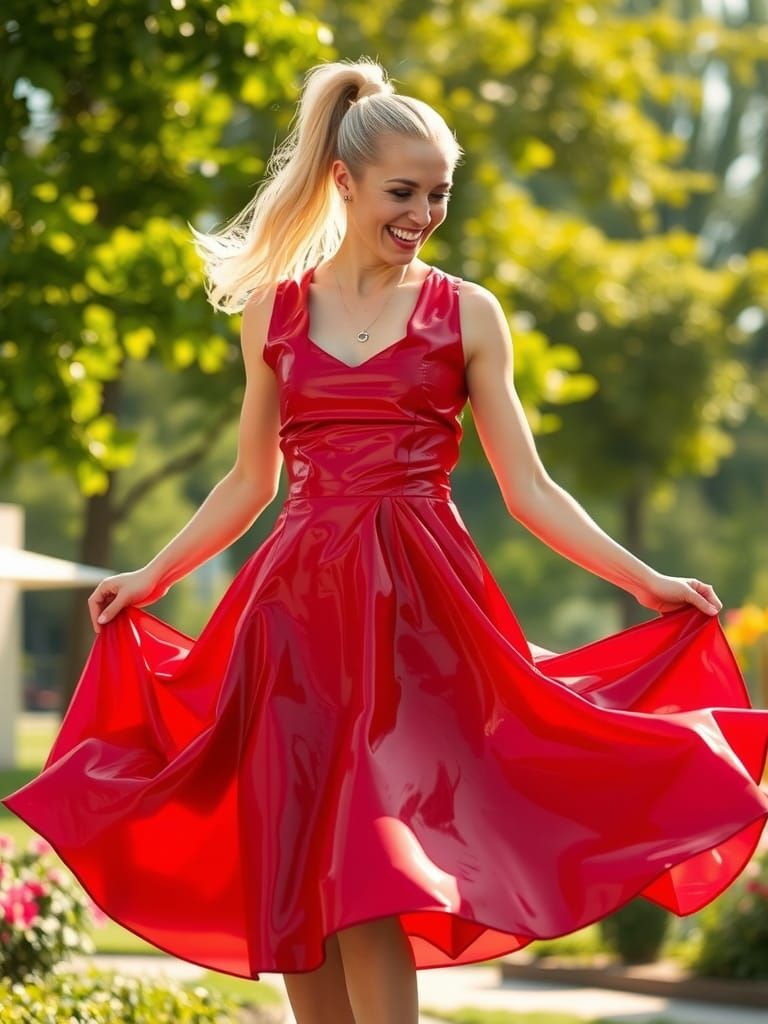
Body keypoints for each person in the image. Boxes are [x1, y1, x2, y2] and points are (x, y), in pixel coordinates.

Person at [3, 57, 767, 1024]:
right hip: (293, 621)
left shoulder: (468, 314)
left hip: (418, 621)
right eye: (404, 192)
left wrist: (645, 579)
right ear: (344, 182)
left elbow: (528, 486)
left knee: (370, 867)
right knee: (296, 872)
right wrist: (152, 574)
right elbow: (250, 482)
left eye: (440, 194)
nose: (424, 213)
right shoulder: (275, 317)